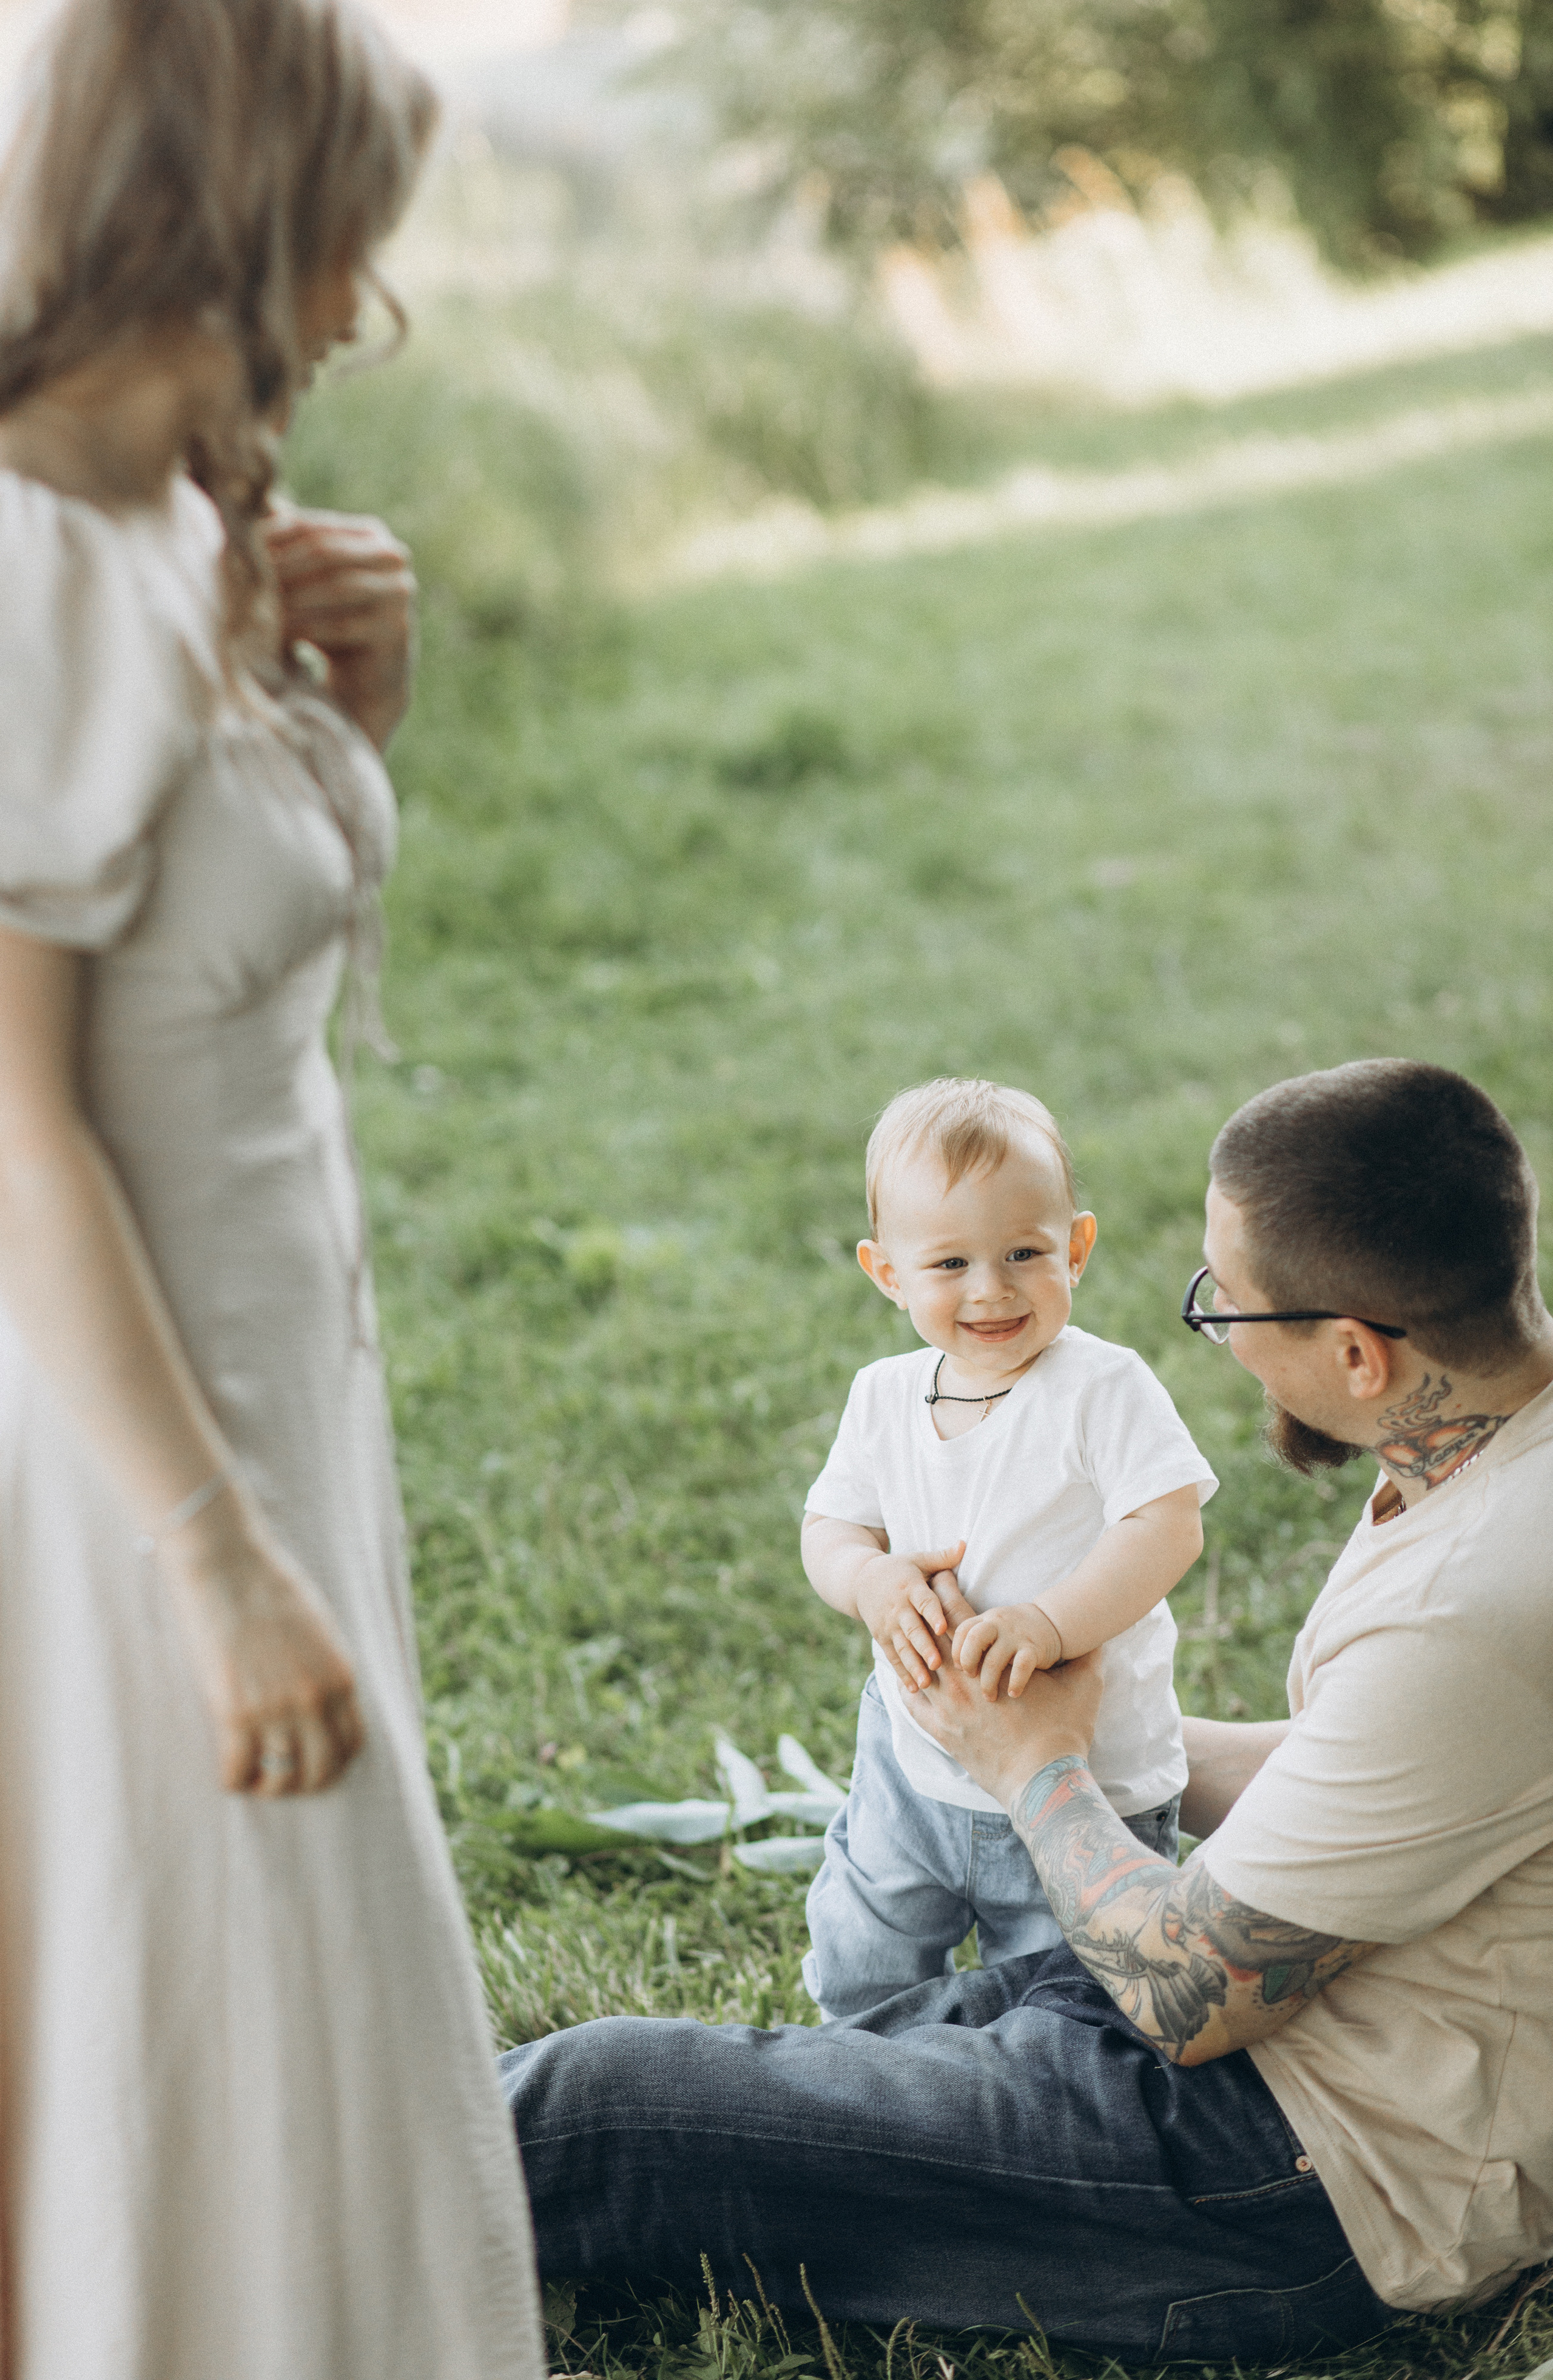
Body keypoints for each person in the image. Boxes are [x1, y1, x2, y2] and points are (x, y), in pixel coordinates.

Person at [502, 1058, 1553, 2361]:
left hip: (1291, 2174)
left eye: (1227, 1309)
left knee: (605, 2102)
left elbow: (1187, 1997)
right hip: (1283, 2061)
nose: (1215, 1331)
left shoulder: (1474, 1601)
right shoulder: (1506, 1469)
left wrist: (1033, 1765)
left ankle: (244, 2213)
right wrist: (1115, 1741)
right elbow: (1413, 1769)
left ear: (1352, 1350)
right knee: (816, 2057)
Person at [0, 3, 542, 2373]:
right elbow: (15, 1124)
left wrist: (353, 716)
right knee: (236, 1969)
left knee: (319, 1970)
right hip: (141, 1450)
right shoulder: (21, 570)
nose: (359, 314)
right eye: (342, 250)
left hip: (277, 1373)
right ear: (228, 220)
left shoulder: (178, 527)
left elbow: (217, 971)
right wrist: (212, 1561)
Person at [801, 1077, 1214, 2017]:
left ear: (1077, 1247)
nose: (991, 1289)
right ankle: (861, 2060)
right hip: (914, 1752)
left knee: (1069, 1990)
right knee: (868, 1940)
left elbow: (1166, 1522)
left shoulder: (1102, 1387)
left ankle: (1022, 2087)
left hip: (1085, 1772)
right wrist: (868, 1578)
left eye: (1024, 1253)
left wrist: (1050, 1621)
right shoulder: (883, 1396)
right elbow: (831, 1525)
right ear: (886, 1273)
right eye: (949, 1264)